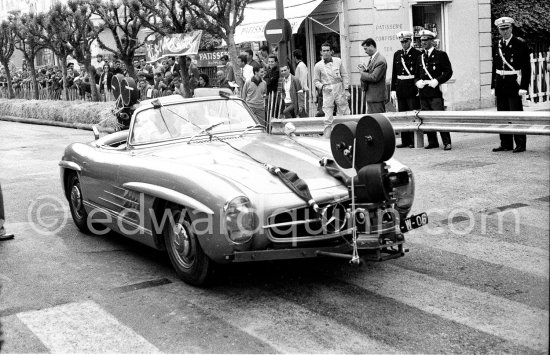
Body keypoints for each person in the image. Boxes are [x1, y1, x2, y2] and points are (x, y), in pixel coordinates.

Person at [491, 17, 531, 153]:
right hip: (501, 84)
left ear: (511, 28)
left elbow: (526, 67)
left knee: (515, 114)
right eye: (502, 29)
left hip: (514, 84)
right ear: (498, 30)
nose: (505, 32)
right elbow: (494, 66)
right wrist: (493, 85)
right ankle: (505, 143)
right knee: (502, 115)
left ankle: (520, 144)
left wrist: (524, 87)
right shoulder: (498, 44)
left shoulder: (520, 44)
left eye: (507, 28)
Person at [414, 29, 453, 150]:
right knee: (427, 119)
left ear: (432, 41)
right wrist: (417, 82)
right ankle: (432, 141)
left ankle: (447, 142)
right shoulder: (420, 57)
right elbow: (416, 75)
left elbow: (448, 72)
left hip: (435, 92)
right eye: (421, 41)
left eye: (425, 40)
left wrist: (437, 80)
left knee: (439, 117)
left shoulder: (441, 55)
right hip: (424, 93)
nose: (423, 43)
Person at [391, 31, 422, 148]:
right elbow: (394, 72)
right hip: (400, 87)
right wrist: (393, 89)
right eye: (402, 42)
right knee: (402, 115)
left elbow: (418, 73)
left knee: (412, 114)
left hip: (411, 87)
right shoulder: (397, 54)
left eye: (406, 41)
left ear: (410, 41)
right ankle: (405, 140)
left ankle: (413, 140)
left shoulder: (417, 54)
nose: (404, 44)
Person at [313, 42, 350, 138]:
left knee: (344, 111)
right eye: (323, 51)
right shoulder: (318, 65)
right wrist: (323, 87)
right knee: (327, 115)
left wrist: (346, 89)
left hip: (339, 88)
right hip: (327, 90)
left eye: (327, 50)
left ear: (331, 51)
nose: (325, 53)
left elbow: (345, 75)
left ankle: (344, 134)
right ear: (321, 52)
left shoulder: (338, 61)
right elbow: (316, 81)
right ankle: (327, 138)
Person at [359, 38, 387, 114]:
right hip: (372, 97)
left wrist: (362, 73)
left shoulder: (380, 60)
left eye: (366, 49)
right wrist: (365, 71)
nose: (365, 51)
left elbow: (374, 77)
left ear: (371, 46)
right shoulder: (373, 59)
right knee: (373, 121)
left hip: (376, 98)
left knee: (378, 121)